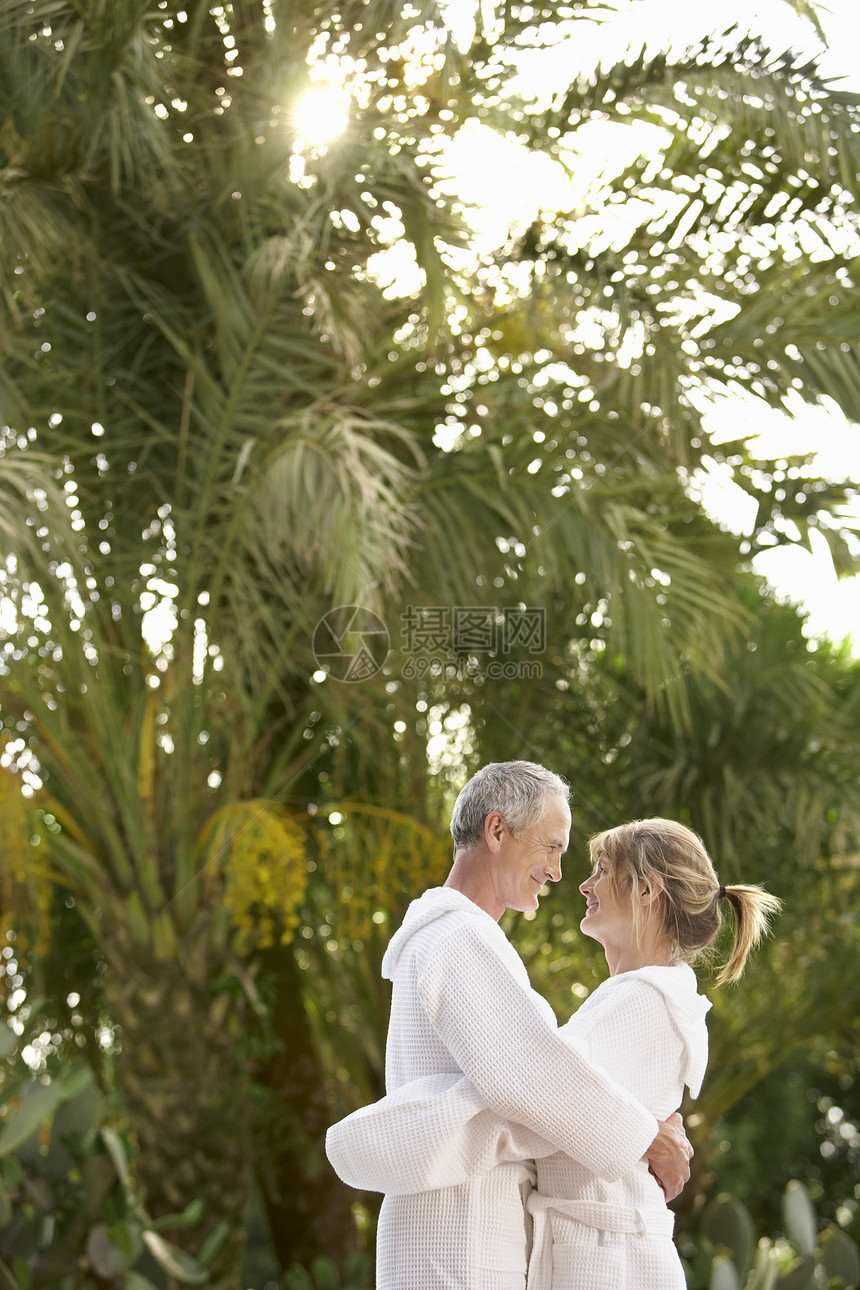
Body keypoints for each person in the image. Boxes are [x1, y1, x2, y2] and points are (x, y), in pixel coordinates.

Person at [328, 816, 781, 1290]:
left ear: (647, 891)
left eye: (603, 870)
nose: (584, 884)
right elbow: (544, 1090)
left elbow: (534, 1101)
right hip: (601, 1256)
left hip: (614, 1264)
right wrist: (643, 1132)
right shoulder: (637, 999)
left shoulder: (642, 1002)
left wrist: (381, 1138)